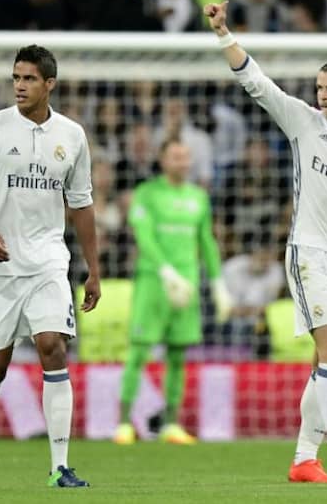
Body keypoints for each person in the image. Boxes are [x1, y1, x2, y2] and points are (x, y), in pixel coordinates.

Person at [205, 0, 327, 483]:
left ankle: (303, 459)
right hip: (308, 253)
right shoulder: (302, 121)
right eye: (318, 88)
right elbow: (255, 81)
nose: (322, 96)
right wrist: (223, 33)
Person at [0, 45, 100, 488]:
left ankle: (59, 468)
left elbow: (82, 203)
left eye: (29, 78)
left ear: (49, 84)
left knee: (52, 345)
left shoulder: (72, 135)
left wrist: (94, 269)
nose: (19, 85)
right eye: (16, 77)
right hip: (0, 264)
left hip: (50, 261)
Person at [113, 137, 233, 445]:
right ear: (163, 160)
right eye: (176, 156)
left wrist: (218, 282)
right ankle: (124, 423)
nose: (182, 162)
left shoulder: (198, 197)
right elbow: (143, 234)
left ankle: (170, 424)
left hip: (188, 284)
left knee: (178, 354)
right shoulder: (147, 194)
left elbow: (206, 240)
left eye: (186, 156)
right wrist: (164, 270)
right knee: (139, 350)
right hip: (154, 281)